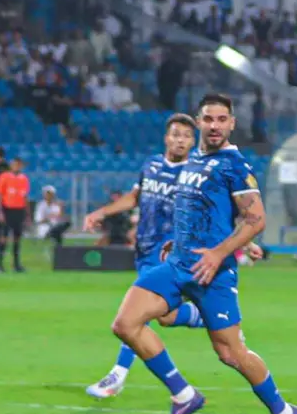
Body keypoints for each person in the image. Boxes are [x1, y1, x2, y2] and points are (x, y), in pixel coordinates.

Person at [107, 94, 297, 414]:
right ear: (199, 122)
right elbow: (200, 211)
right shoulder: (195, 160)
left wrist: (221, 252)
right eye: (208, 119)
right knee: (125, 324)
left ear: (231, 124)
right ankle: (183, 394)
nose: (214, 126)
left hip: (215, 272)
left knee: (230, 354)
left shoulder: (234, 165)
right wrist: (174, 241)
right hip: (179, 264)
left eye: (222, 119)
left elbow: (256, 219)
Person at [82, 113, 211, 398]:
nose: (180, 140)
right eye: (176, 134)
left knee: (134, 319)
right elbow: (135, 198)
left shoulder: (193, 174)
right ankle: (210, 316)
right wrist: (102, 212)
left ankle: (117, 375)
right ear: (167, 137)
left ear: (193, 142)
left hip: (168, 254)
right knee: (165, 317)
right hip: (144, 248)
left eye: (186, 136)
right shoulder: (151, 164)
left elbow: (210, 212)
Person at [0, 157, 29, 273]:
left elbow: (25, 197)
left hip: (19, 210)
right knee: (4, 237)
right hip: (7, 209)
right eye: (15, 164)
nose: (17, 167)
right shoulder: (4, 177)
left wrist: (27, 214)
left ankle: (16, 264)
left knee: (17, 238)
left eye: (19, 165)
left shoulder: (24, 179)